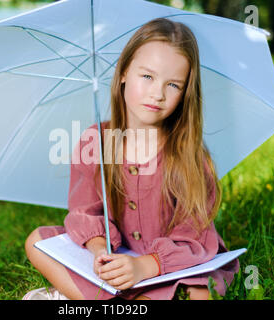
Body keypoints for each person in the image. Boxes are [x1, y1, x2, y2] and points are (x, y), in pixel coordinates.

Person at [23, 18, 239, 300]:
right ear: (124, 72)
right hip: (117, 256)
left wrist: (145, 266)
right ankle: (117, 295)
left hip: (171, 265)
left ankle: (89, 297)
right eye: (147, 76)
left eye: (173, 85)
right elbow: (85, 212)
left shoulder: (189, 154)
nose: (157, 93)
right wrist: (101, 253)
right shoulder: (96, 141)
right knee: (37, 242)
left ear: (186, 92)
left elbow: (194, 238)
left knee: (200, 295)